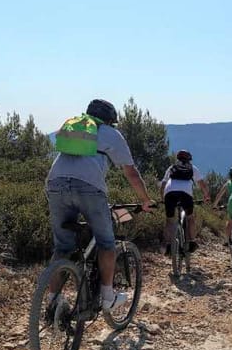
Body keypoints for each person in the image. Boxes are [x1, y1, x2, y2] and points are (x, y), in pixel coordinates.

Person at [46, 98, 153, 312]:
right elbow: (131, 173)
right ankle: (107, 297)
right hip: (89, 187)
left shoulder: (72, 125)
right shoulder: (112, 134)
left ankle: (51, 301)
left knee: (63, 247)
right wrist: (145, 200)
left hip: (55, 183)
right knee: (106, 243)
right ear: (110, 121)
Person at [160, 150, 211, 255]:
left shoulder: (171, 168)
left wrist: (163, 199)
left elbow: (163, 185)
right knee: (190, 217)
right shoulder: (192, 168)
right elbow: (202, 185)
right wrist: (206, 196)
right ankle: (192, 242)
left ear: (177, 158)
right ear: (189, 159)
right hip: (185, 194)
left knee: (169, 220)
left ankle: (168, 246)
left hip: (169, 193)